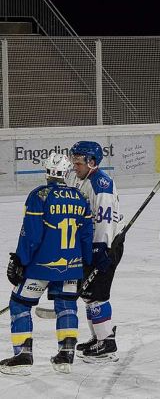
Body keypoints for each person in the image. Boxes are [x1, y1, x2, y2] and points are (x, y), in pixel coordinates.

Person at [0, 153, 93, 375]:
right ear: (66, 172)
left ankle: (23, 355)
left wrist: (20, 259)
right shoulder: (80, 197)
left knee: (19, 304)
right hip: (71, 266)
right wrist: (86, 264)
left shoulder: (39, 195)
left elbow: (31, 234)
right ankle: (66, 355)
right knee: (67, 306)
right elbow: (86, 236)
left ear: (47, 171)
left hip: (40, 266)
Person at [68, 141, 122, 363]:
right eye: (73, 162)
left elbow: (104, 221)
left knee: (97, 294)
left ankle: (107, 343)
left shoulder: (101, 184)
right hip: (90, 245)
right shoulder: (79, 178)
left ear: (91, 162)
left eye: (78, 163)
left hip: (106, 246)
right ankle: (97, 337)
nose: (74, 166)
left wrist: (101, 250)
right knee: (88, 294)